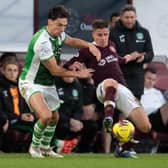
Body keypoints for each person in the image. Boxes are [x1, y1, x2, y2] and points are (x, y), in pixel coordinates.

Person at [18, 5, 100, 158]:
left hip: (47, 83)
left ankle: (45, 148)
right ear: (50, 22)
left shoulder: (57, 34)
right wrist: (80, 74)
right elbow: (55, 71)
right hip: (30, 82)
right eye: (59, 25)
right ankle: (34, 147)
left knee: (55, 117)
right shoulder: (42, 42)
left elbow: (71, 40)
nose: (62, 29)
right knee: (46, 116)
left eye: (64, 25)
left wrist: (88, 44)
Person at [64, 19, 151, 157]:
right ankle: (108, 119)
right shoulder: (87, 50)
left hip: (122, 89)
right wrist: (74, 68)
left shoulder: (111, 45)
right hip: (102, 88)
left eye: (105, 34)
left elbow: (117, 60)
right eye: (100, 35)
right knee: (110, 82)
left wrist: (129, 57)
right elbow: (68, 65)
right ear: (93, 34)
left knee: (145, 126)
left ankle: (124, 148)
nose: (103, 38)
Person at [109, 4, 154, 99]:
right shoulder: (113, 33)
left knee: (135, 109)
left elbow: (150, 53)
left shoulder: (144, 32)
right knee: (119, 109)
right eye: (126, 17)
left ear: (136, 17)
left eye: (132, 17)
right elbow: (110, 55)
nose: (129, 20)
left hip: (137, 78)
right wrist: (129, 57)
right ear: (121, 17)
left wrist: (143, 57)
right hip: (119, 76)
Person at [0, 58, 36, 152]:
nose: (12, 73)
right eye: (9, 70)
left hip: (20, 120)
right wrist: (18, 117)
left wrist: (31, 115)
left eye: (15, 70)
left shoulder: (21, 88)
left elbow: (29, 107)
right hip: (9, 120)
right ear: (3, 71)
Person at [141, 67, 168, 133]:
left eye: (153, 80)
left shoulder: (158, 92)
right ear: (142, 77)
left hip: (162, 117)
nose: (151, 82)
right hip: (149, 118)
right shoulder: (138, 91)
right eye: (148, 78)